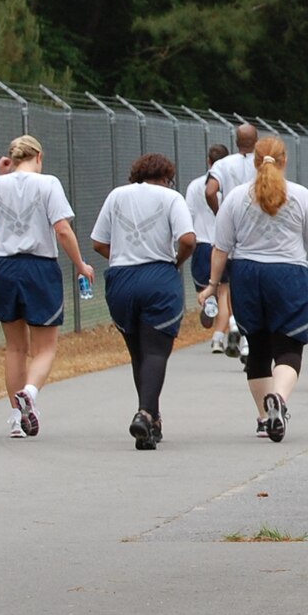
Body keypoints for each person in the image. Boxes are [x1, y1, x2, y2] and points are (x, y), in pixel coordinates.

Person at [200, 137, 308, 442]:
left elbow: (221, 248)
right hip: (288, 275)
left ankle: (263, 416)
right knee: (288, 346)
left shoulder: (234, 198)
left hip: (247, 275)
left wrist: (212, 284)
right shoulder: (299, 195)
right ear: (284, 161)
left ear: (255, 162)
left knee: (257, 346)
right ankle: (280, 400)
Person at [0, 135, 93, 439]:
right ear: (39, 156)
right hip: (38, 266)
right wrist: (81, 264)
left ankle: (17, 418)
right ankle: (30, 392)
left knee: (15, 346)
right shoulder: (48, 184)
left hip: (4, 266)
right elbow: (61, 228)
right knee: (45, 347)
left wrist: (3, 175)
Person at [90, 153, 196, 451]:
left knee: (138, 352)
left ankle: (151, 420)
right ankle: (146, 413)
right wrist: (176, 262)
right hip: (158, 276)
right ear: (166, 177)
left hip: (122, 279)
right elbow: (188, 239)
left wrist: (122, 257)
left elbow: (98, 242)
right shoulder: (171, 197)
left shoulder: (116, 196)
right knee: (156, 352)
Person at [204, 122, 259, 357]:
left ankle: (235, 323)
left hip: (232, 229)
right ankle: (247, 337)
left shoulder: (223, 165)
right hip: (257, 230)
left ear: (236, 141)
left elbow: (209, 191)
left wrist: (219, 212)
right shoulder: (263, 163)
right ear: (257, 140)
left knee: (233, 285)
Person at [185, 144, 229, 353]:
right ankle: (218, 338)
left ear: (209, 162)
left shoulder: (195, 186)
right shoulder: (229, 187)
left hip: (201, 245)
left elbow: (188, 216)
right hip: (223, 245)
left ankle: (208, 307)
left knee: (206, 290)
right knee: (224, 292)